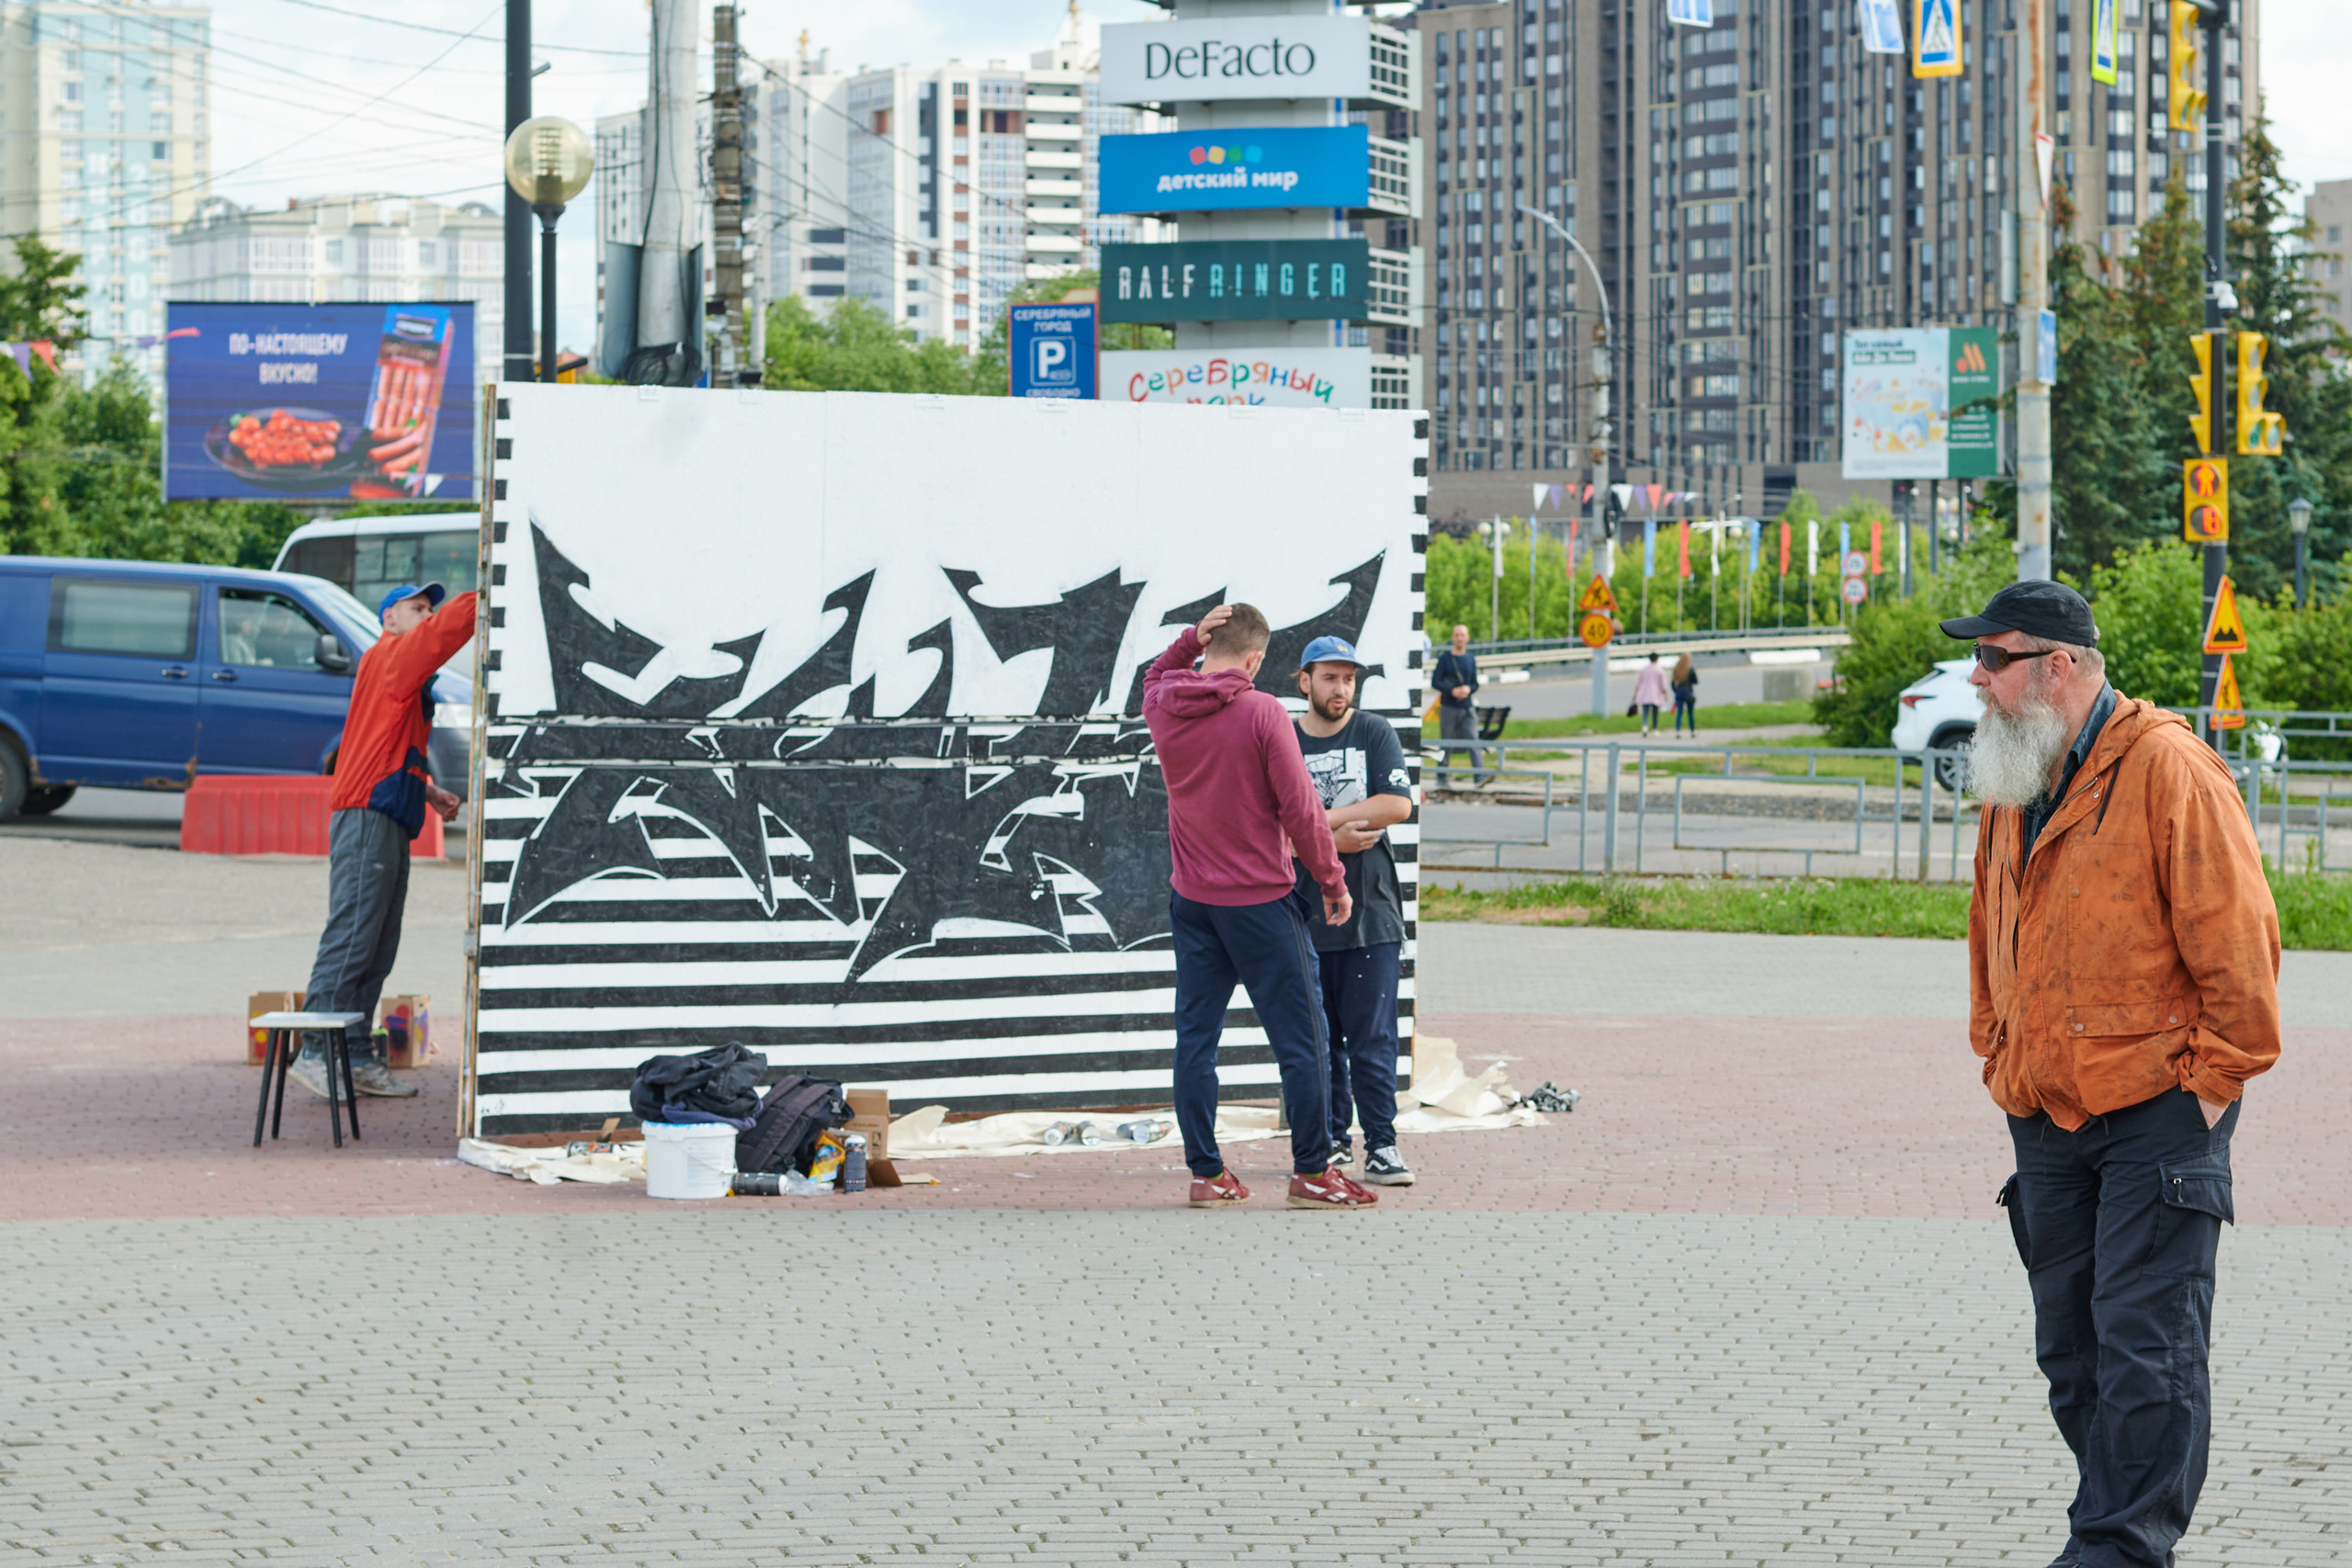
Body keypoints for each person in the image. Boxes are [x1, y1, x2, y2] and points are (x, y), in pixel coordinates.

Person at [1950, 580, 2279, 1568]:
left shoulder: (2168, 766)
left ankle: (2118, 1549)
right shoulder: (2021, 772)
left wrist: (2209, 1088)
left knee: (2146, 1350)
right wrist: (1995, 1046)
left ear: (2058, 666)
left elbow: (2241, 944)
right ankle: (2118, 1531)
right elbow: (1987, 928)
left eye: (1995, 659)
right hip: (2042, 1112)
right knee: (2073, 1356)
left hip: (2156, 1113)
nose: (1977, 676)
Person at [1143, 603, 1378, 1211]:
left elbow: (1153, 675)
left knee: (1195, 1037)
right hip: (1262, 905)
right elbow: (1301, 808)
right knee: (1303, 1037)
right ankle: (1311, 1170)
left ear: (1205, 646)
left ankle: (1207, 1173)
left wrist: (1184, 643)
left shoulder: (1165, 703)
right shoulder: (1262, 712)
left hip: (1192, 901)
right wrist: (1332, 880)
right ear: (1255, 660)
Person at [290, 581, 476, 1101]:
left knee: (375, 943)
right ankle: (316, 1050)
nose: (427, 614)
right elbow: (443, 634)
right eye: (417, 608)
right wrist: (490, 589)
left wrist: (429, 790)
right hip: (368, 815)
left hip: (383, 814)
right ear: (389, 619)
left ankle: (352, 1052)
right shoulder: (391, 655)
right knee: (354, 935)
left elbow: (388, 752)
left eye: (430, 608)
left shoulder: (397, 673)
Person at [1292, 636, 1416, 1187]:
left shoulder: (1373, 732)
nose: (1340, 689)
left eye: (1348, 679)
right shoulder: (1283, 739)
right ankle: (1333, 1141)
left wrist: (1321, 824)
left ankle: (1382, 1146)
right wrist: (1330, 842)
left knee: (1373, 1037)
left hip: (1372, 914)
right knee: (1319, 1040)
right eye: (1330, 678)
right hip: (1301, 915)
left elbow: (1397, 804)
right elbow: (1270, 828)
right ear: (1305, 681)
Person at [1430, 623, 1486, 785]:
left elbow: (1475, 683)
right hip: (1449, 706)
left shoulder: (1470, 658)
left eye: (1462, 635)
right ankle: (1441, 777)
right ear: (1453, 638)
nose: (1460, 638)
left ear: (1467, 638)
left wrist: (1468, 689)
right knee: (1446, 742)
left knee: (1473, 740)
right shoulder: (1445, 659)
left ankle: (1479, 776)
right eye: (1457, 635)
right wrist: (1452, 690)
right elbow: (1435, 682)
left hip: (1467, 706)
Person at [1631, 651, 1670, 734]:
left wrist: (1635, 694)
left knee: (1645, 712)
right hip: (1655, 694)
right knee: (1655, 712)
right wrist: (1666, 695)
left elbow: (1638, 683)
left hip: (1644, 694)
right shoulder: (1659, 670)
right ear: (1657, 659)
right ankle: (1655, 728)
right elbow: (1663, 684)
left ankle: (1645, 726)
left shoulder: (1644, 670)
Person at [1669, 651, 1699, 735]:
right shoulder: (1690, 670)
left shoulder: (1676, 669)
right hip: (1689, 692)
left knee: (1679, 713)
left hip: (1679, 693)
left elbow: (1672, 683)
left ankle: (1678, 730)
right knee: (1690, 713)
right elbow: (1696, 682)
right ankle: (1692, 730)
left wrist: (1676, 691)